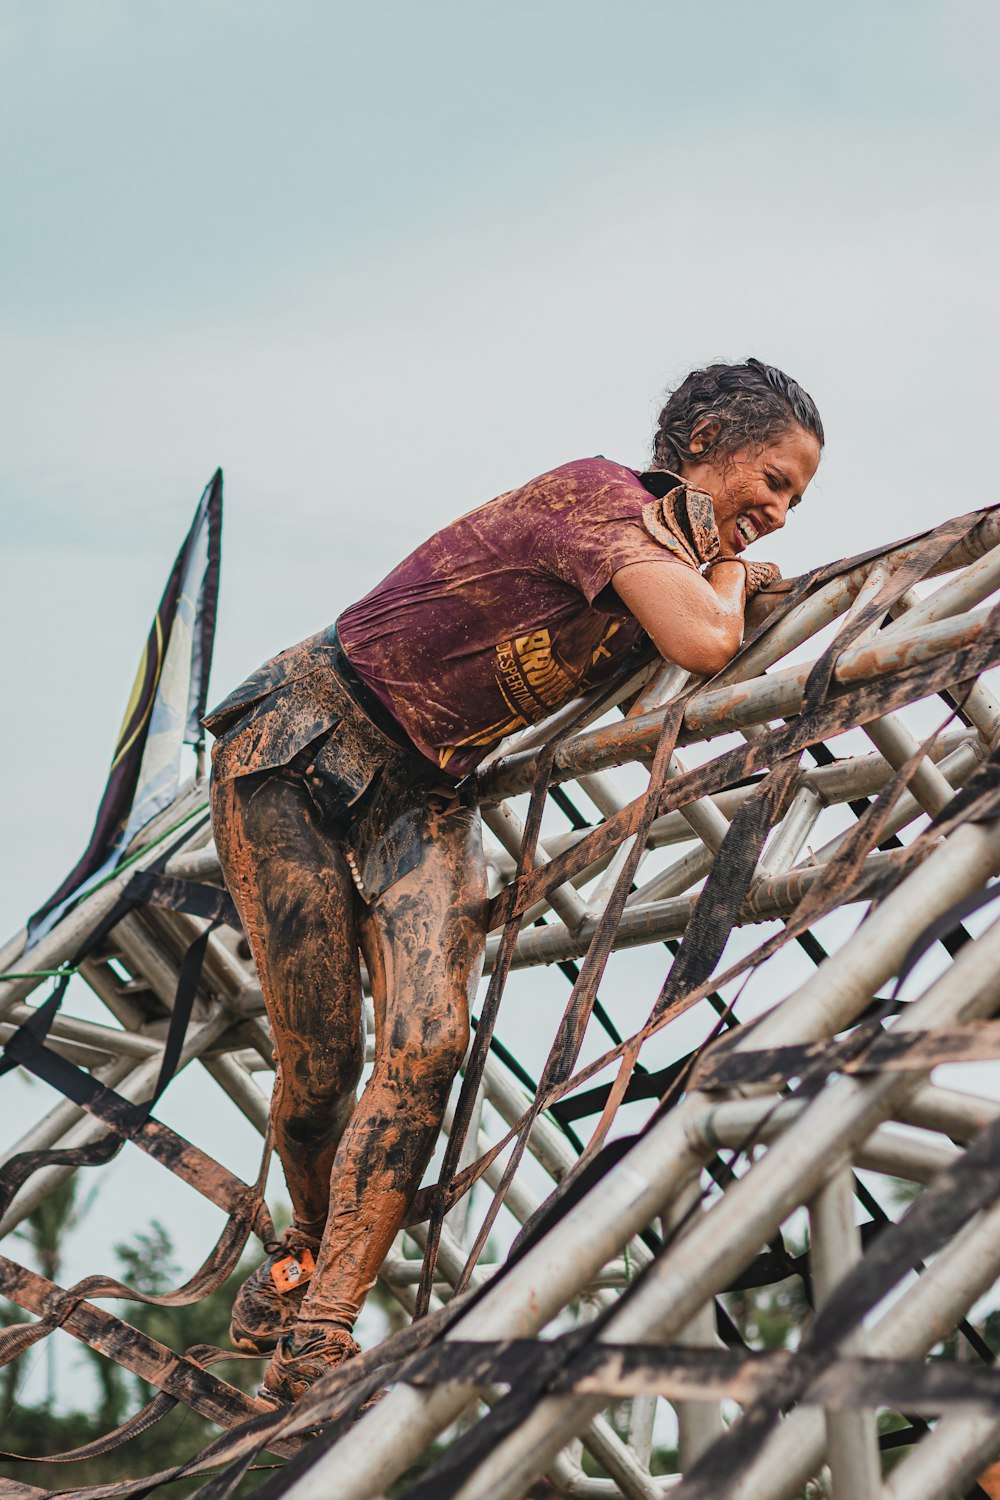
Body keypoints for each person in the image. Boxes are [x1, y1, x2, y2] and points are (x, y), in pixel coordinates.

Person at [204, 357, 823, 1406]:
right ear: (703, 439)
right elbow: (705, 641)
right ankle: (302, 1242)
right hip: (302, 742)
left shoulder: (658, 559)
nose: (777, 510)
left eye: (796, 499)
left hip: (423, 787)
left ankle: (319, 1331)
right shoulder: (601, 500)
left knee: (430, 1040)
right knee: (319, 1073)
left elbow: (686, 635)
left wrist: (724, 571)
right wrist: (732, 578)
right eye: (771, 479)